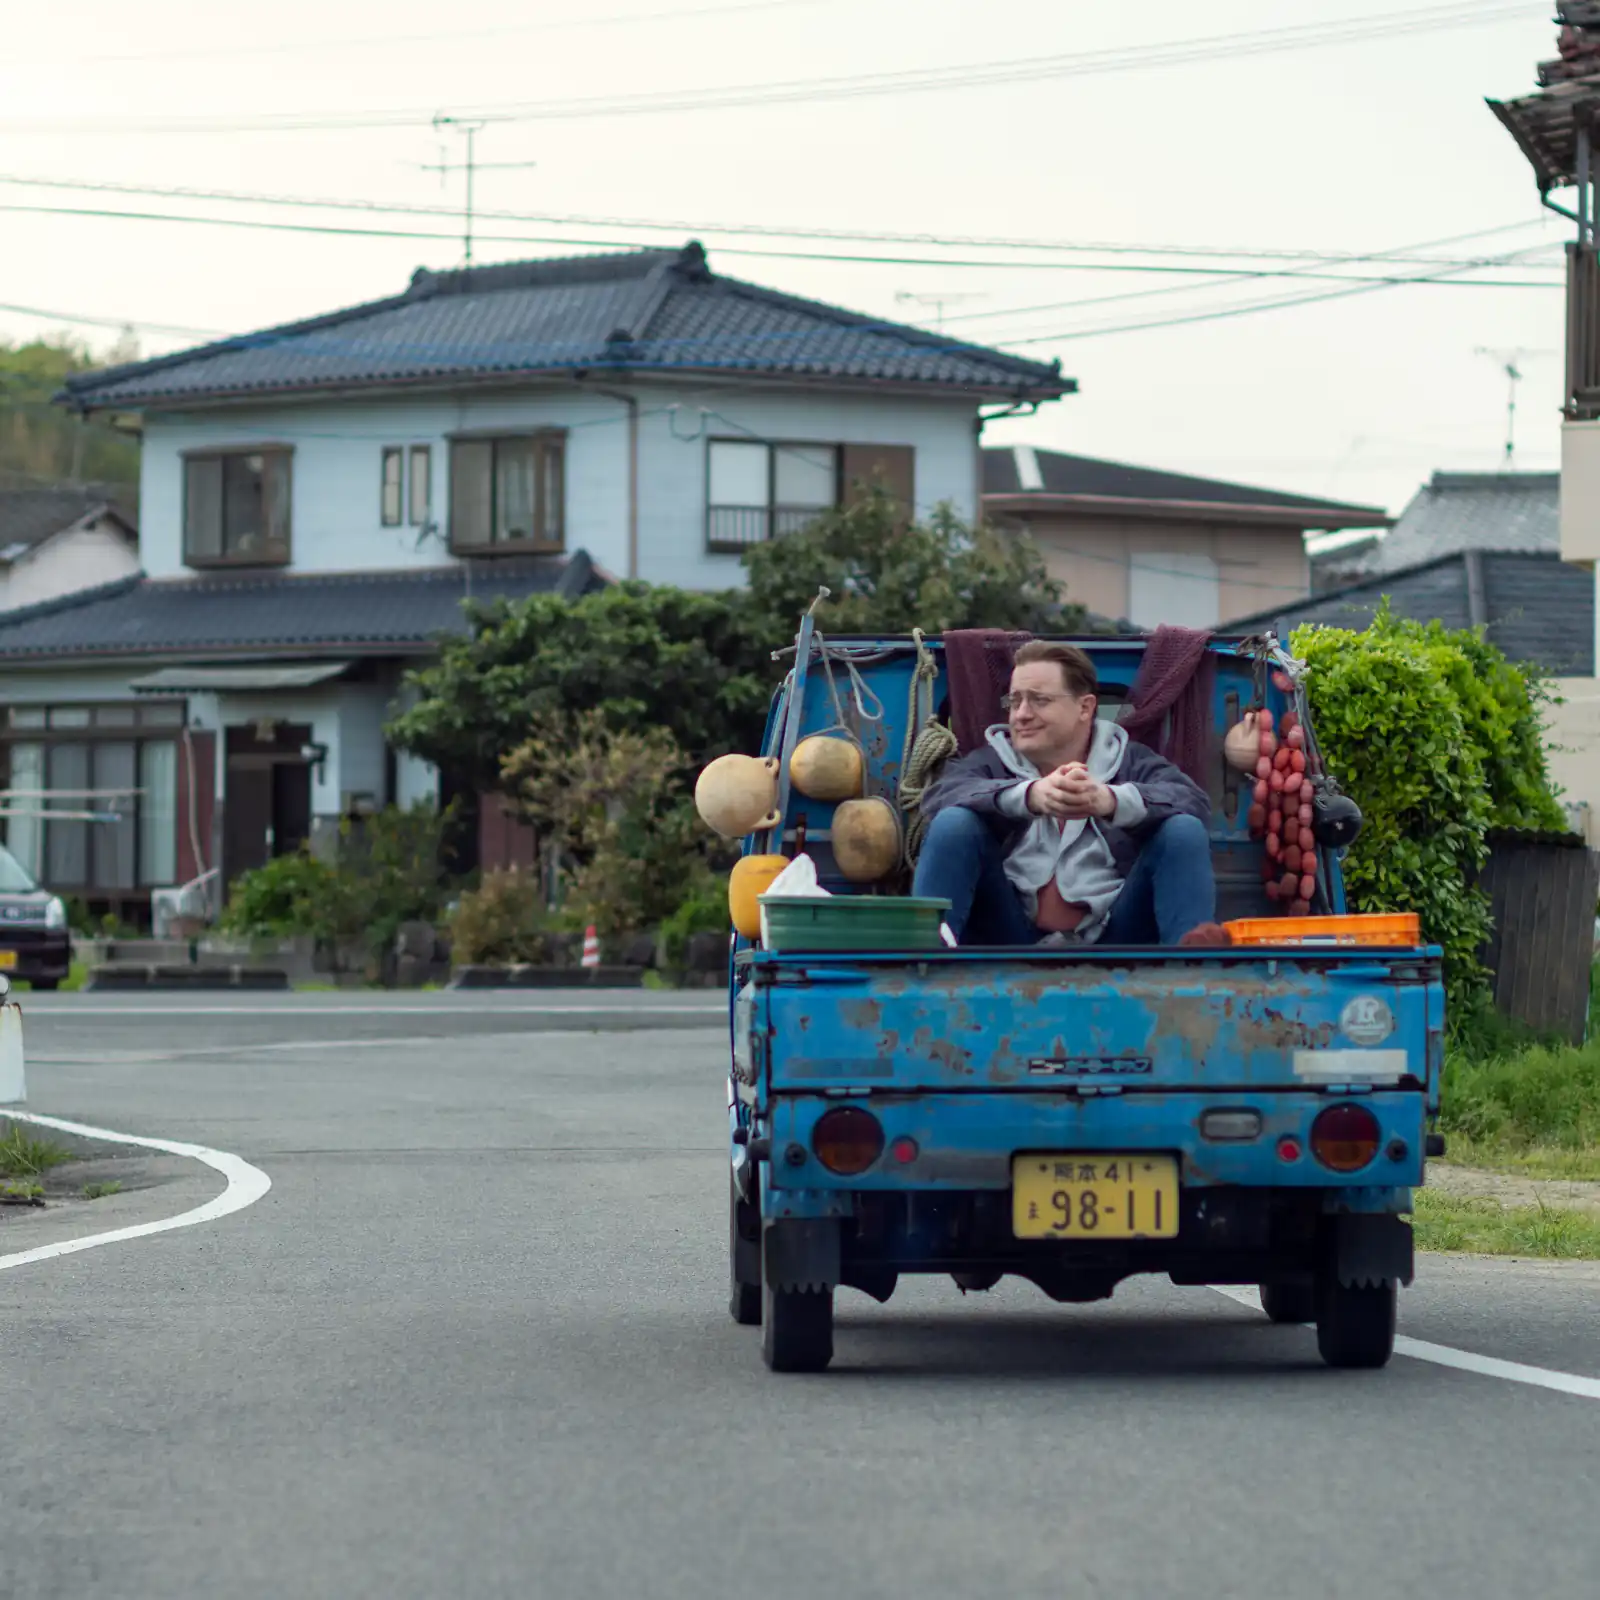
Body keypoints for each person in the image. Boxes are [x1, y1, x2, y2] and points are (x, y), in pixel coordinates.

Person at [912, 640, 1228, 947]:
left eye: (1039, 700)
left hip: (1117, 937)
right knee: (953, 822)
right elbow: (939, 797)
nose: (1021, 714)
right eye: (1014, 700)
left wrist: (1110, 801)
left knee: (1183, 830)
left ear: (1085, 707)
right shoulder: (990, 760)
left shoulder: (1131, 760)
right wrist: (1029, 796)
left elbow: (1193, 802)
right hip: (1007, 935)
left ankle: (1193, 971)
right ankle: (922, 964)